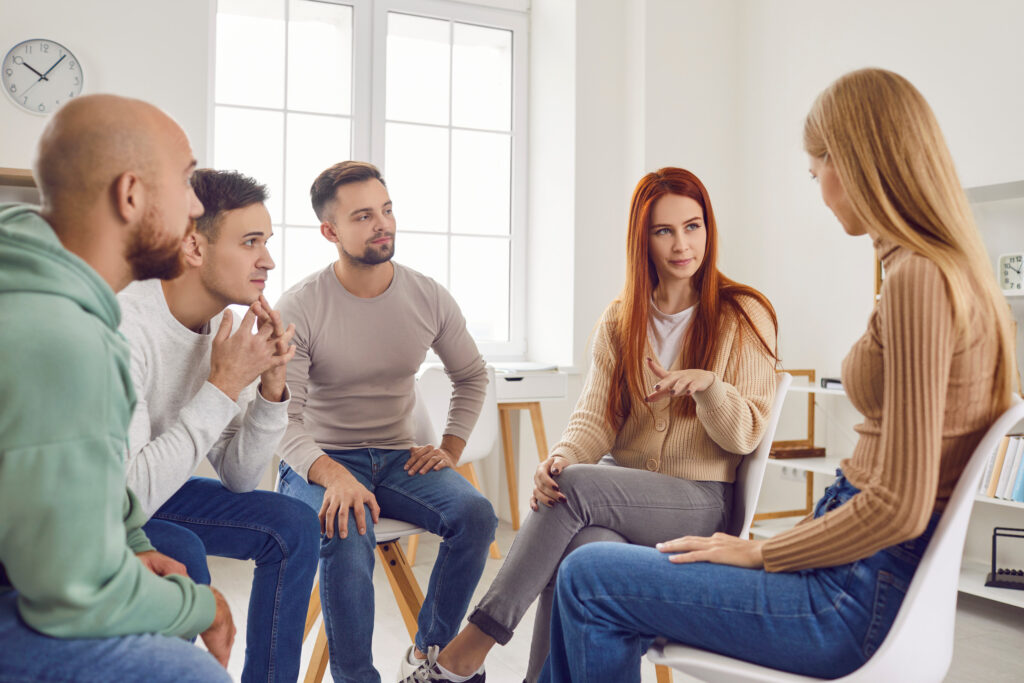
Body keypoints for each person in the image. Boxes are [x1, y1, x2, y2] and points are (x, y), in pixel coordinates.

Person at [539, 68, 1019, 682]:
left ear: (855, 163)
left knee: (589, 576)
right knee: (595, 565)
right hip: (851, 575)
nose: (818, 186)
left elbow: (899, 506)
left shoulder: (920, 281)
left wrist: (762, 551)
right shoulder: (929, 270)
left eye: (817, 168)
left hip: (849, 601)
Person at [406, 167, 779, 683]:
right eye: (664, 231)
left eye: (693, 227)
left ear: (708, 230)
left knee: (575, 486)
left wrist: (710, 387)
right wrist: (561, 457)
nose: (681, 244)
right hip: (624, 498)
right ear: (642, 238)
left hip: (701, 500)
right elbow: (595, 419)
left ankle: (467, 651)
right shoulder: (621, 318)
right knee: (582, 548)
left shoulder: (744, 314)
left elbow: (746, 434)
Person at [0, 95, 235, 682]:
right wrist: (202, 605)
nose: (197, 204)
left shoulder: (46, 289)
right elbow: (73, 595)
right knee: (195, 675)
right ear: (131, 195)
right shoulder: (59, 337)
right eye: (185, 180)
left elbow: (87, 471)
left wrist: (131, 538)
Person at [274, 161, 497, 683]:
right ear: (330, 231)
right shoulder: (301, 306)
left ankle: (430, 658)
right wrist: (334, 476)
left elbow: (471, 375)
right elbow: (285, 421)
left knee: (476, 515)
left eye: (387, 209)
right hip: (318, 460)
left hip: (399, 457)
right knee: (347, 526)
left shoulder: (427, 295)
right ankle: (356, 677)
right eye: (363, 216)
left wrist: (451, 446)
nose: (383, 224)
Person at [118, 168, 320, 682]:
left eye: (266, 242)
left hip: (157, 485)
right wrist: (222, 386)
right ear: (193, 247)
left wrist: (271, 388)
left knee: (293, 524)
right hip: (105, 499)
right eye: (250, 242)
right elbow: (127, 495)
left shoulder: (226, 331)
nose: (268, 261)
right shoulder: (128, 326)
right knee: (181, 551)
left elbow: (239, 476)